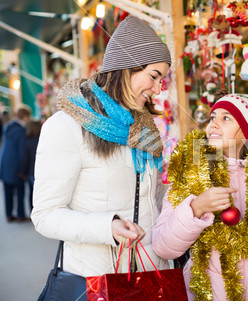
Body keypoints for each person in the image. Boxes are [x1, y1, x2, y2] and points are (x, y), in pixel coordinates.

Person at [31, 16, 171, 290]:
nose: (158, 89)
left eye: (162, 80)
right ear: (125, 67)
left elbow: (148, 198)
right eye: (154, 76)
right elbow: (45, 215)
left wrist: (186, 194)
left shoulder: (144, 128)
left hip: (151, 272)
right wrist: (107, 227)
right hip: (97, 280)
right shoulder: (66, 127)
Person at [152, 93, 248, 301]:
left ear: (246, 133)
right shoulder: (190, 175)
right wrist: (196, 208)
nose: (214, 124)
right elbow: (163, 246)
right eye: (213, 117)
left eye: (226, 118)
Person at [0, 106, 31, 222]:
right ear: (25, 116)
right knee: (20, 191)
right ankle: (20, 215)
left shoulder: (7, 127)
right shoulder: (21, 130)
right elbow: (21, 151)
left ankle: (9, 215)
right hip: (16, 164)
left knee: (7, 191)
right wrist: (23, 169)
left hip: (5, 163)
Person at [19, 120, 42, 212]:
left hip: (32, 171)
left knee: (32, 193)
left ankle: (33, 212)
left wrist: (23, 172)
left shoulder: (27, 142)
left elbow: (25, 159)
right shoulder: (44, 140)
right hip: (43, 171)